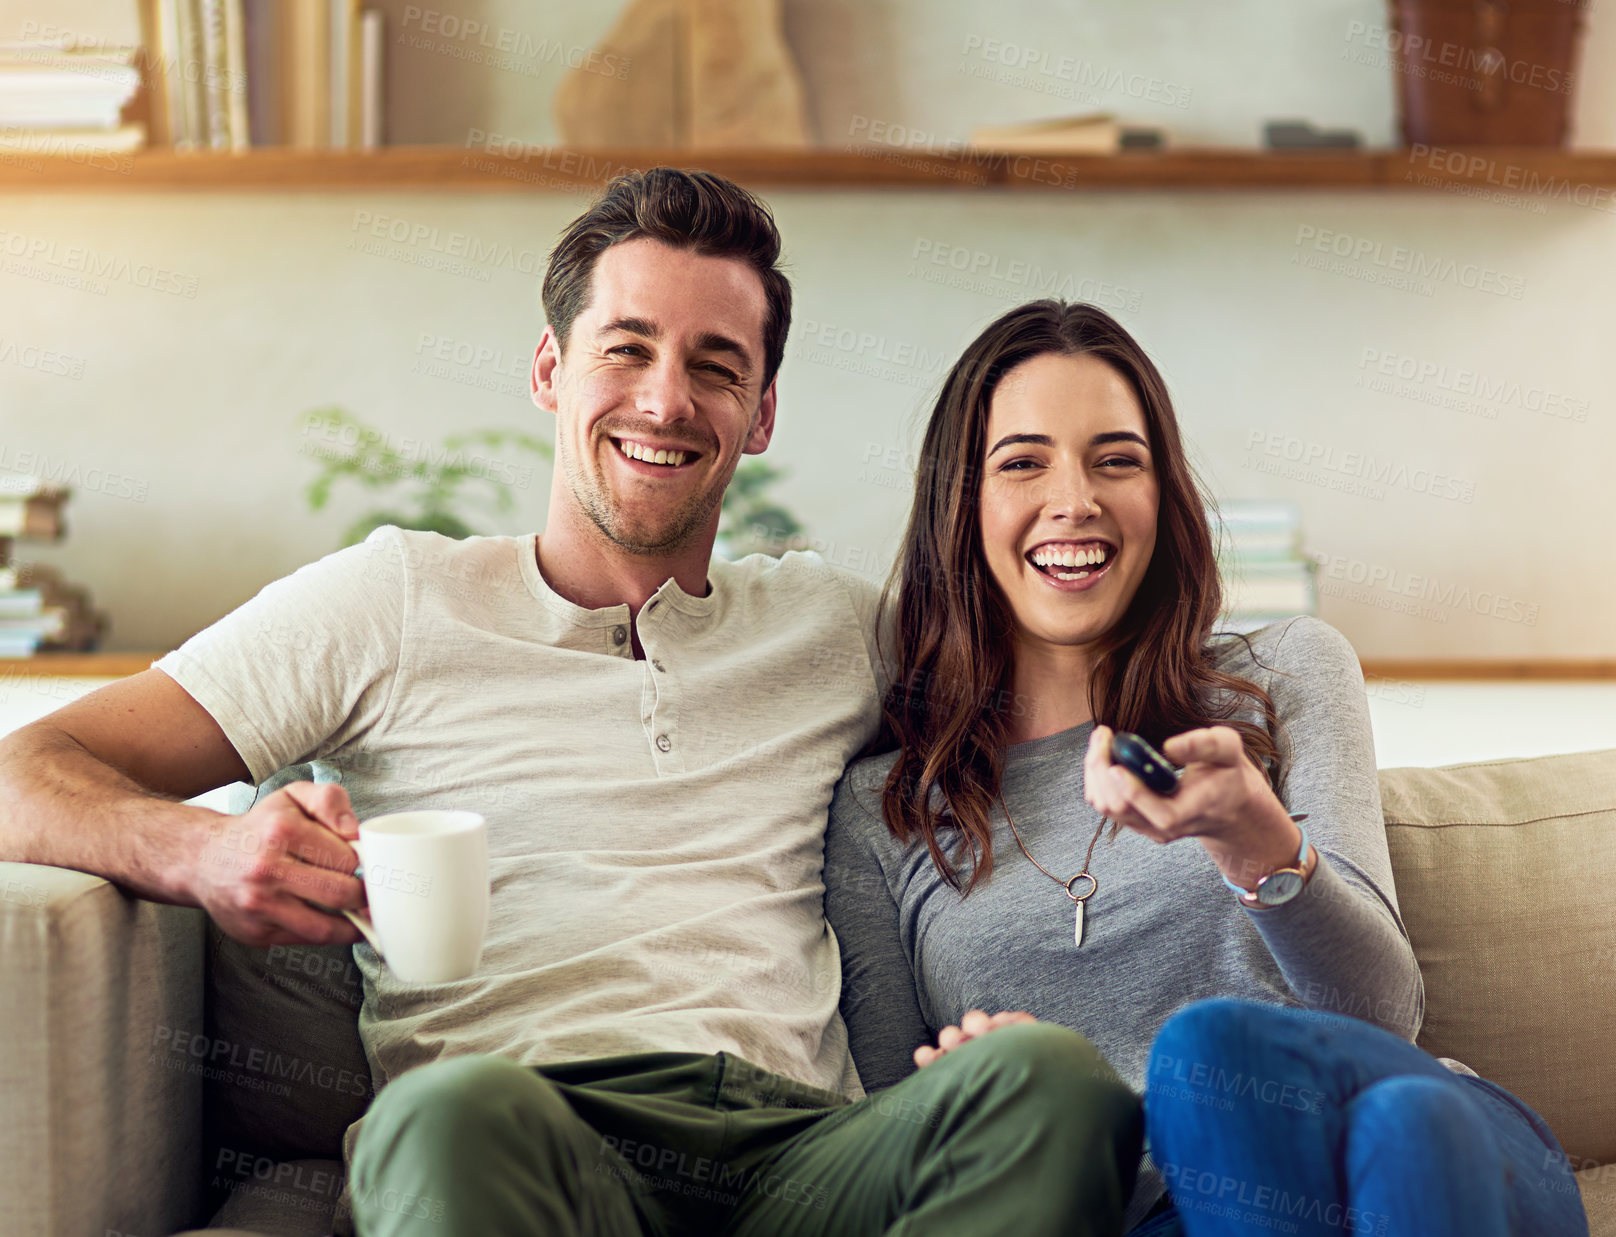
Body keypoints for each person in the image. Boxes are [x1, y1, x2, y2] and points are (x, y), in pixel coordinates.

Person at [0, 171, 1144, 1237]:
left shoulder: (839, 627)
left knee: (1047, 1084)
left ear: (760, 413)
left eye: (714, 363)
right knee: (441, 1117)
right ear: (549, 369)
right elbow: (23, 767)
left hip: (797, 1157)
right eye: (627, 347)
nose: (664, 398)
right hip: (517, 1142)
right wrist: (200, 851)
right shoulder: (391, 599)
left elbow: (1066, 663)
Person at [823, 299, 1591, 1237]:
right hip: (1158, 1208)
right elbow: (895, 1128)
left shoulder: (1284, 674)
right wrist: (1018, 1091)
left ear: (1163, 495)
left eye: (1118, 460)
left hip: (1414, 1136)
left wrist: (1254, 840)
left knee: (1361, 1104)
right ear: (960, 501)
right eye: (1022, 462)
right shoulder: (888, 806)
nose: (1076, 499)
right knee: (1212, 1074)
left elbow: (1383, 1014)